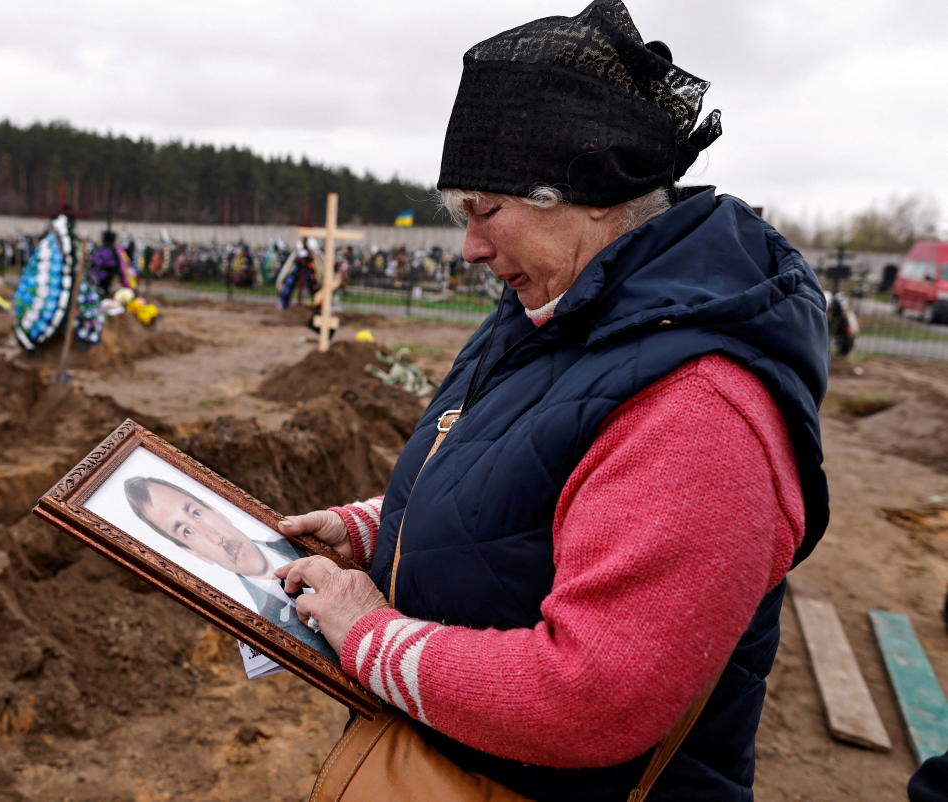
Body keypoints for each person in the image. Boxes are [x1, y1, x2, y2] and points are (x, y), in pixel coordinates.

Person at [273, 2, 830, 800]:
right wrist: (379, 529)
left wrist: (370, 635)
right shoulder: (555, 314)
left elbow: (591, 696)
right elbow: (531, 486)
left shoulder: (699, 406)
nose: (469, 246)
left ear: (595, 190)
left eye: (486, 209)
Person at [123, 476, 333, 655]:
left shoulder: (316, 542)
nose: (216, 538)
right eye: (186, 531)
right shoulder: (264, 627)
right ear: (193, 553)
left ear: (217, 511)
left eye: (195, 512)